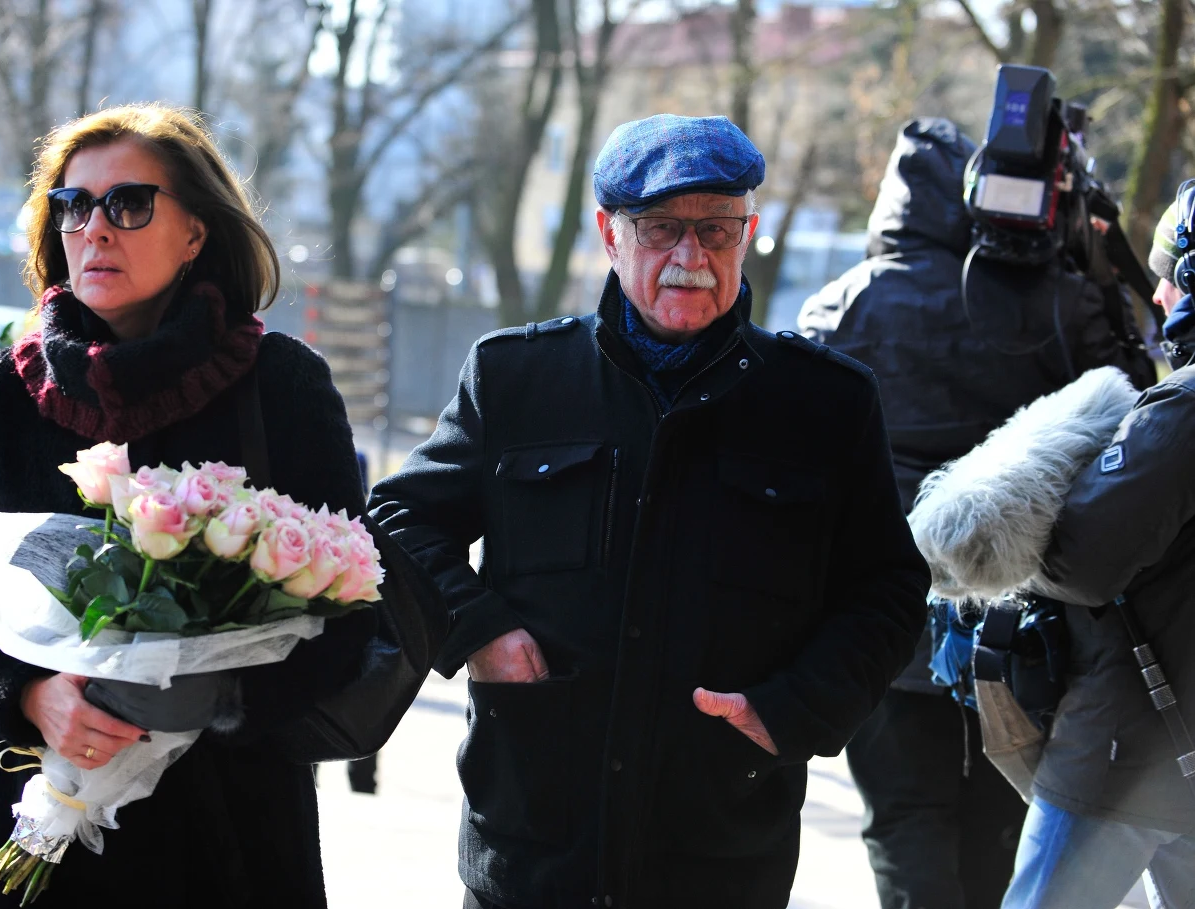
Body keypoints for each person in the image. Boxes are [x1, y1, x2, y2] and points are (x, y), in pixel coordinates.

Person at [369, 113, 931, 909]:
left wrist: (790, 710)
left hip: (722, 847)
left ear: (749, 234)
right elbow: (396, 520)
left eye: (716, 230)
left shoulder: (825, 403)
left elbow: (889, 588)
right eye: (661, 227)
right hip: (532, 847)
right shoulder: (517, 379)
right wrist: (478, 629)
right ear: (609, 233)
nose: (690, 257)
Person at [0, 104, 435, 907]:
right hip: (32, 810)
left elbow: (351, 607)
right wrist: (27, 694)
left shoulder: (282, 383)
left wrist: (211, 704)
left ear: (196, 232)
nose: (95, 229)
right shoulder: (9, 387)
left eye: (128, 203)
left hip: (226, 829)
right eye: (74, 206)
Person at [797, 118, 1156, 909]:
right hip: (1022, 625)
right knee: (1002, 819)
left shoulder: (836, 308)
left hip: (880, 621)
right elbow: (1131, 415)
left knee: (903, 819)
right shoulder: (1057, 300)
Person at [990, 182, 1195, 909]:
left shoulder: (1185, 409)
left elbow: (1083, 560)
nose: (1162, 293)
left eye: (1173, 273)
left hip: (1126, 754)